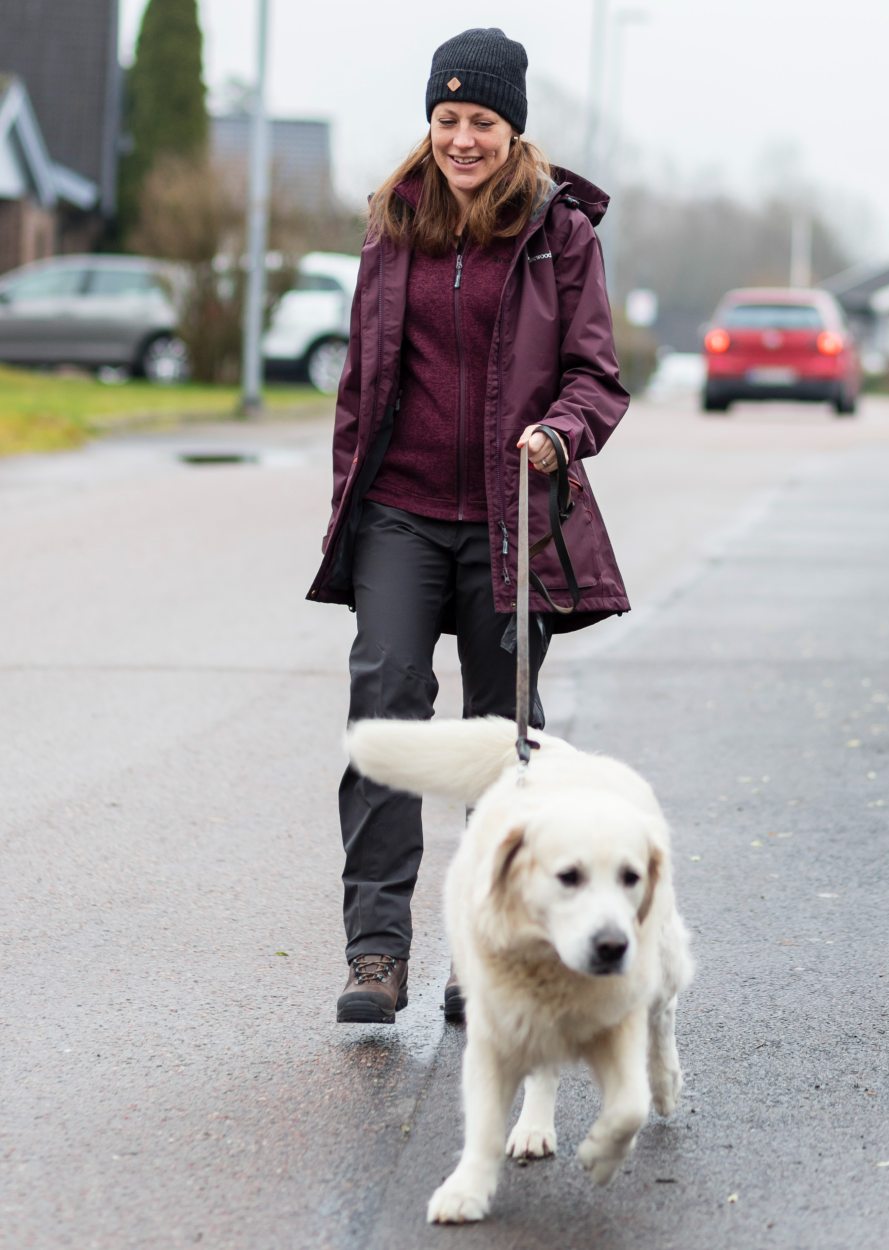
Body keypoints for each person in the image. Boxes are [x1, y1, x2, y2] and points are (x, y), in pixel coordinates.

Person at [306, 27, 631, 1024]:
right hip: (400, 512)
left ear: (511, 128)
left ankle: (482, 954)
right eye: (445, 119)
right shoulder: (391, 223)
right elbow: (361, 385)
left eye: (479, 120)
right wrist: (348, 512)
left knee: (505, 745)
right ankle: (374, 950)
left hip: (511, 516)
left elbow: (595, 378)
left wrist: (558, 434)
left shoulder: (560, 233)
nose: (459, 138)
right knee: (386, 713)